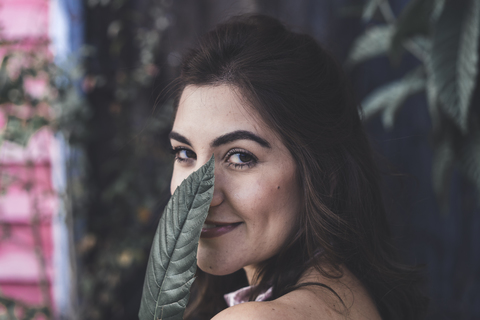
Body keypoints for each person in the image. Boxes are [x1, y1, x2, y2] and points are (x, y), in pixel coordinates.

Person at [168, 14, 428, 320]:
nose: (199, 197)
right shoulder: (347, 296)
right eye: (185, 153)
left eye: (240, 157)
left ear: (320, 170)